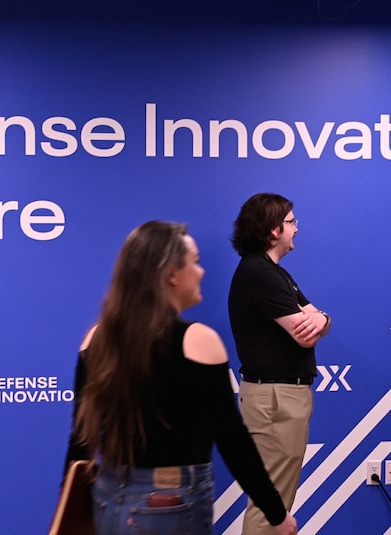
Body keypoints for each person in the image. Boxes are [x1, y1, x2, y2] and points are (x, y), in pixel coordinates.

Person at [64, 220, 297, 535]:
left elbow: (80, 440)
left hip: (108, 497)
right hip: (170, 503)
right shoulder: (197, 341)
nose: (201, 272)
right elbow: (233, 441)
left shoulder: (95, 339)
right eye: (195, 262)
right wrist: (276, 513)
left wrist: (69, 507)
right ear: (172, 274)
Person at [228, 193, 331, 535]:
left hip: (281, 397)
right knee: (271, 503)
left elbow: (318, 318)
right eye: (291, 222)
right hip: (275, 399)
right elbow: (306, 334)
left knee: (276, 499)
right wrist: (318, 322)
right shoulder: (260, 273)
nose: (296, 229)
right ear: (273, 230)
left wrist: (323, 318)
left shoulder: (275, 273)